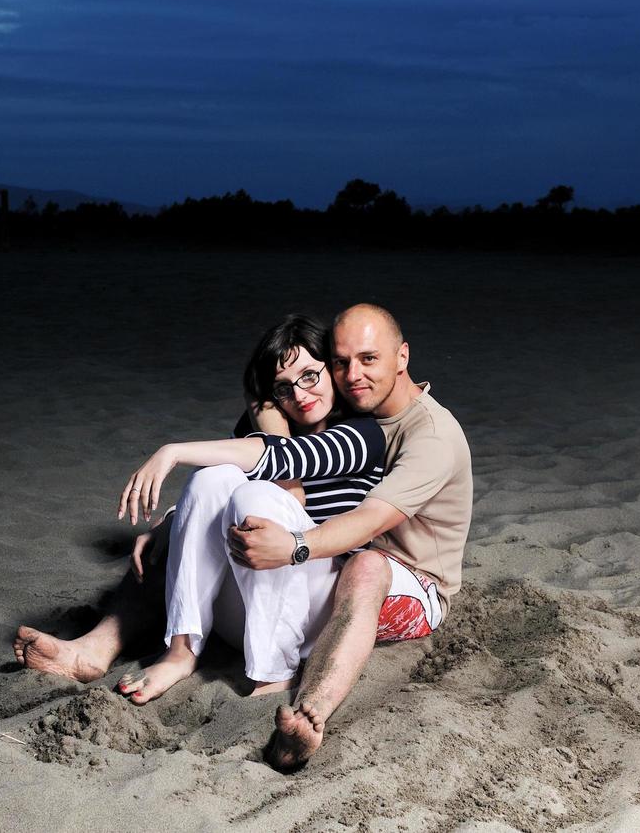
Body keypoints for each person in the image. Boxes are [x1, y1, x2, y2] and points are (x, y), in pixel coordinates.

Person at [110, 314, 392, 703]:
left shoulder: (363, 434)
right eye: (283, 387)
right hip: (249, 614)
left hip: (318, 612)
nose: (300, 395)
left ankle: (274, 673)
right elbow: (221, 492)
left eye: (310, 375)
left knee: (254, 496)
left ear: (332, 370)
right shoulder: (268, 431)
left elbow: (286, 467)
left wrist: (173, 451)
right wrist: (170, 525)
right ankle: (181, 652)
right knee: (213, 478)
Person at [255, 303, 472, 769]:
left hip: (412, 585)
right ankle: (96, 647)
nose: (353, 374)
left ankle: (310, 716)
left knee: (368, 564)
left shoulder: (431, 435)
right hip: (336, 556)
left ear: (402, 357)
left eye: (369, 359)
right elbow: (269, 444)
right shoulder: (346, 407)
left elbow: (372, 520)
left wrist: (294, 546)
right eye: (341, 361)